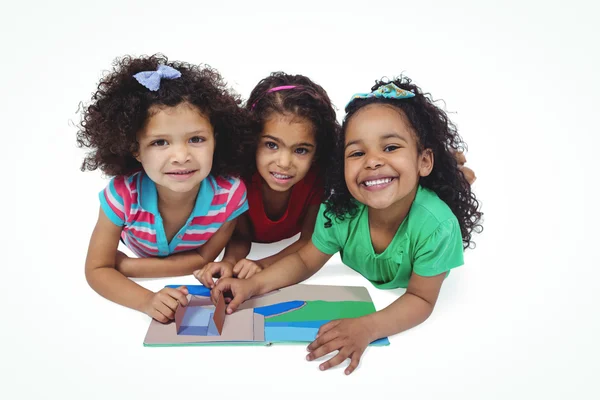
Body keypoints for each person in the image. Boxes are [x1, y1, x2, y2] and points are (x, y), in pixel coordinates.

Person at [210, 77, 483, 374]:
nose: (373, 162)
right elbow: (304, 260)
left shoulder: (437, 226)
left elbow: (421, 297)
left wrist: (367, 327)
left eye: (390, 147)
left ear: (423, 161)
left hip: (426, 209)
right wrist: (251, 286)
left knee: (450, 183)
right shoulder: (341, 210)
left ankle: (454, 171)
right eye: (357, 153)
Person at [77, 54, 252, 322]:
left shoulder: (230, 195)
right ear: (135, 149)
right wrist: (147, 300)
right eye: (160, 142)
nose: (181, 156)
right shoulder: (122, 196)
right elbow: (97, 268)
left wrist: (126, 266)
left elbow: (203, 258)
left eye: (196, 139)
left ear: (215, 140)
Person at [194, 72, 338, 285]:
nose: (284, 162)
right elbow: (240, 236)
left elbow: (308, 241)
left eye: (301, 150)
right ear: (252, 140)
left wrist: (263, 264)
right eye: (271, 145)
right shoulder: (238, 177)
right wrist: (230, 261)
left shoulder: (316, 179)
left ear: (317, 152)